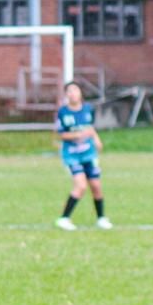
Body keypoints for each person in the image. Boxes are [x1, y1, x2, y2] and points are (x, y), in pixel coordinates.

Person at [54, 81, 111, 231]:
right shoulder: (63, 112)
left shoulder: (88, 109)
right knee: (80, 186)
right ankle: (64, 219)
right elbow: (61, 134)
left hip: (89, 153)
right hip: (72, 155)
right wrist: (76, 135)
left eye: (75, 90)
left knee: (96, 186)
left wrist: (97, 139)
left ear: (80, 93)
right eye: (69, 91)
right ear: (66, 95)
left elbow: (90, 128)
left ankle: (101, 218)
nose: (72, 93)